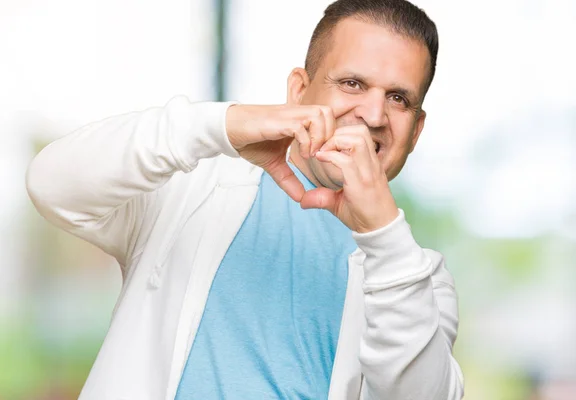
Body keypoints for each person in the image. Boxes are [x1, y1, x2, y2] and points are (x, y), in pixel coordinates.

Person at [26, 0, 464, 398]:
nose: (372, 115)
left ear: (416, 129)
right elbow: (53, 184)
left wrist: (383, 234)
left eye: (398, 98)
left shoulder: (420, 279)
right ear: (298, 91)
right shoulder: (190, 188)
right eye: (352, 83)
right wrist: (221, 125)